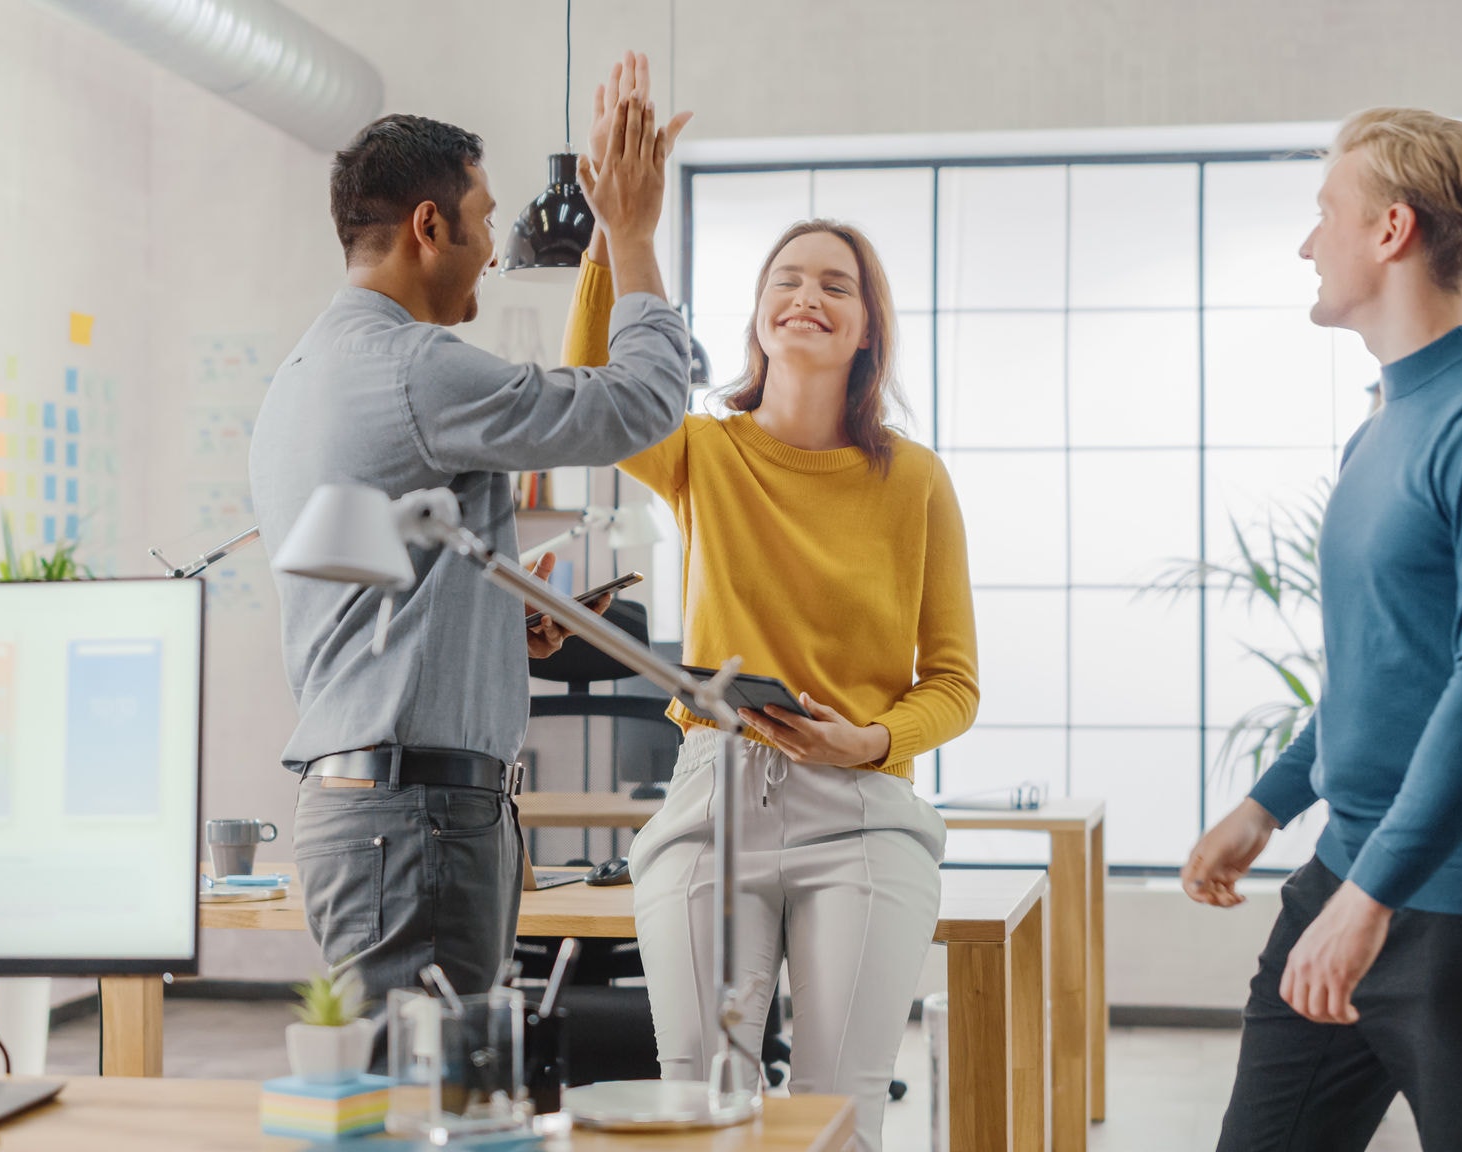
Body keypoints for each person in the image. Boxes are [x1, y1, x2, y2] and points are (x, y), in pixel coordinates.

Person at [558, 64, 979, 1152]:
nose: (807, 295)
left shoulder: (915, 480)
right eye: (786, 280)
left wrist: (872, 740)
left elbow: (953, 683)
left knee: (837, 1109)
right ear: (756, 317)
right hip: (714, 795)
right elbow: (593, 385)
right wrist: (617, 227)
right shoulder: (701, 453)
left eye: (836, 285)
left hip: (863, 810)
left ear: (866, 328)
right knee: (703, 1105)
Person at [1182, 107, 1462, 1151]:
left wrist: (1371, 897)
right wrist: (1269, 805)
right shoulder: (1376, 432)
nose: (1306, 243)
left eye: (1325, 212)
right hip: (1349, 874)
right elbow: (1379, 672)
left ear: (1390, 230)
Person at [248, 63, 692, 1046]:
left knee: (413, 1087)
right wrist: (629, 234)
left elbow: (377, 595)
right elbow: (644, 404)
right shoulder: (417, 368)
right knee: (437, 1095)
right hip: (418, 817)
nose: (493, 248)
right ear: (428, 226)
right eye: (484, 220)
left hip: (374, 808)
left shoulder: (304, 374)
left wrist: (490, 618)